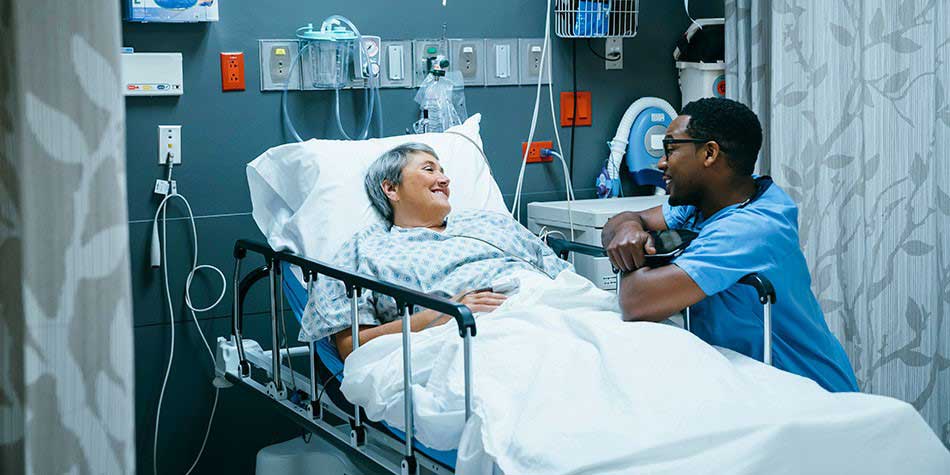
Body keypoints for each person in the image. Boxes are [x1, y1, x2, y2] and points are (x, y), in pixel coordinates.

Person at [601, 97, 858, 392]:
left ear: (709, 153)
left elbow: (636, 301)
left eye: (670, 149)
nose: (661, 162)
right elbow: (619, 221)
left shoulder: (752, 228)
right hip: (747, 380)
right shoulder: (705, 204)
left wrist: (636, 255)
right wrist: (629, 229)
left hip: (811, 391)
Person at [300, 142, 572, 359]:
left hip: (553, 312)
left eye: (442, 171)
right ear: (391, 188)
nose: (444, 179)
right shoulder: (366, 249)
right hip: (476, 336)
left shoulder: (491, 222)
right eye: (429, 170)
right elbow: (350, 346)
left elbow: (564, 280)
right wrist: (446, 312)